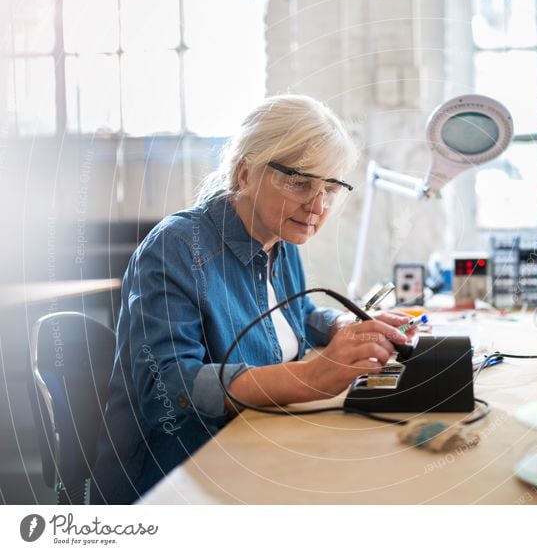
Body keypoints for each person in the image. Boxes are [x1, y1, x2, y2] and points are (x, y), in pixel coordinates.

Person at [91, 95, 413, 504]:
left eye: (331, 188)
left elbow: (299, 315)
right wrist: (310, 378)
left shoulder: (281, 239)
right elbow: (170, 390)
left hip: (255, 448)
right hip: (177, 481)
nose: (317, 206)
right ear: (245, 173)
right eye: (300, 182)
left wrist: (346, 325)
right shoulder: (175, 248)